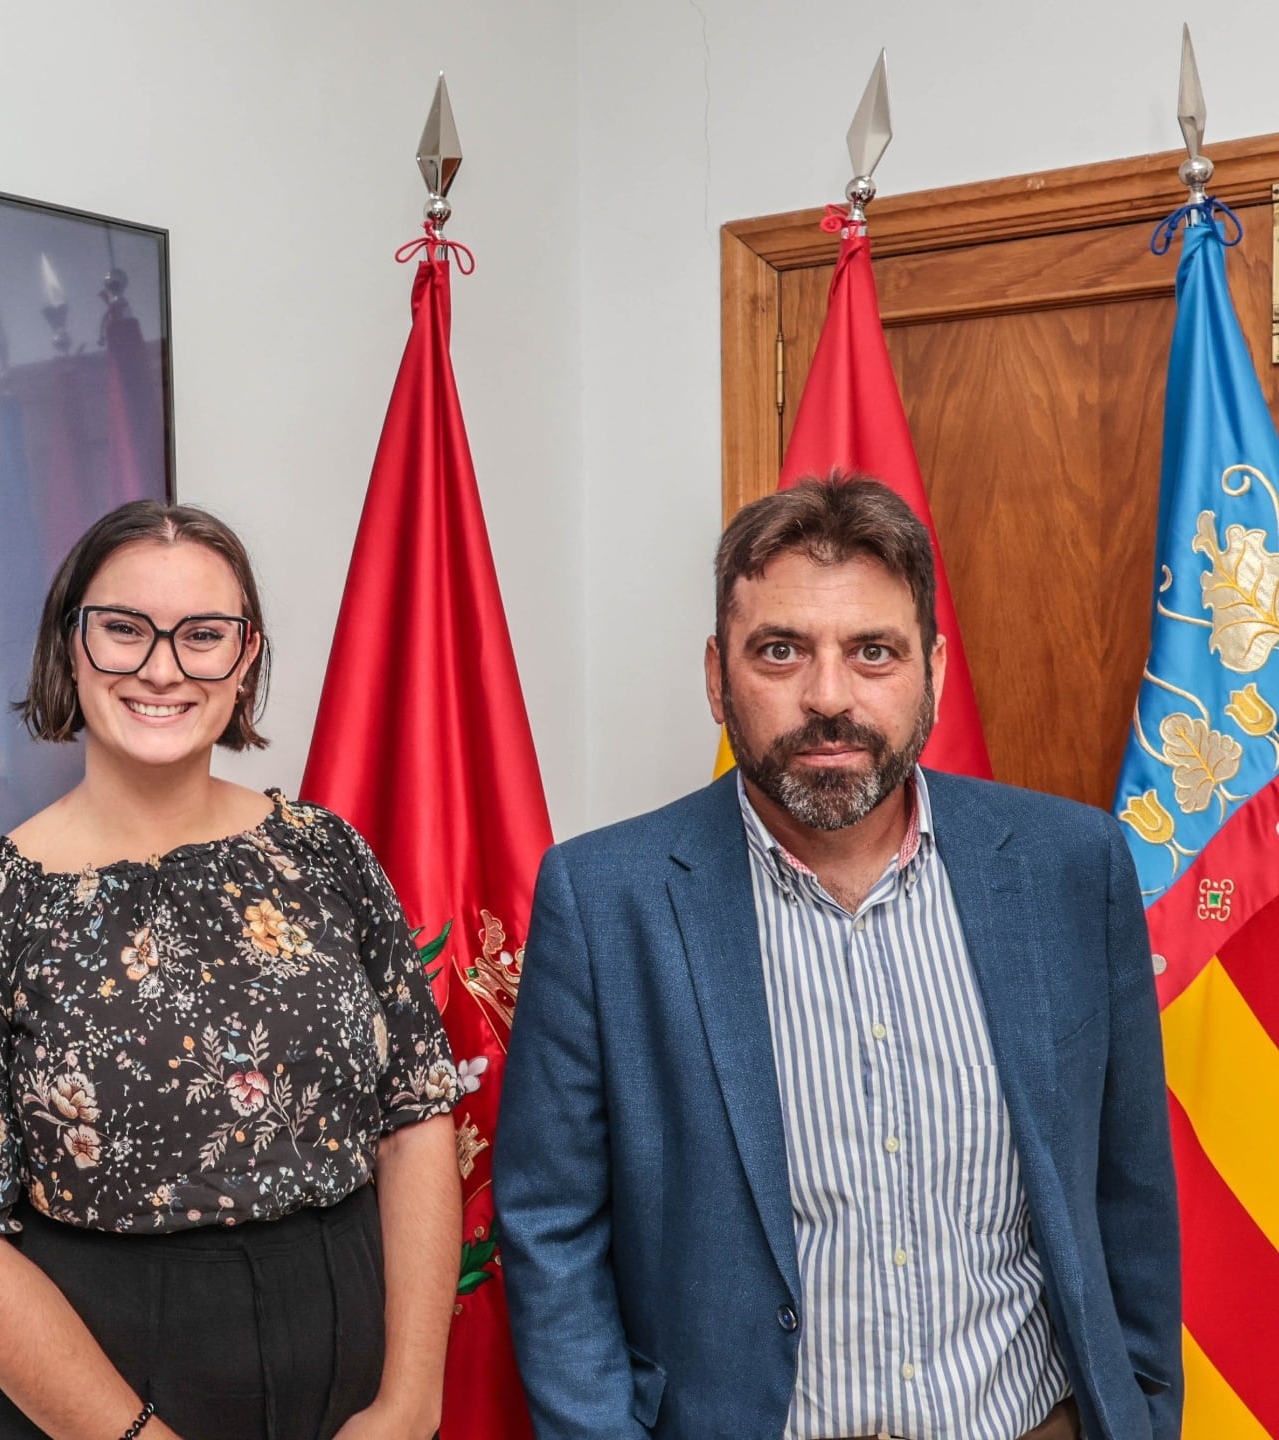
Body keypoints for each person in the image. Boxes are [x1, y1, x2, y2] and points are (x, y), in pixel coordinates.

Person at [494, 475, 1180, 1440]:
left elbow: (1130, 1187)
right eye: (780, 651)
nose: (828, 697)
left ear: (932, 671)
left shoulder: (1071, 868)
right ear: (715, 674)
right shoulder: (606, 900)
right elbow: (551, 1230)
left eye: (873, 652)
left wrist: (1145, 1413)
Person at [0, 500, 465, 1440]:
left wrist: (409, 1405)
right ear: (68, 646)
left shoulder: (325, 854)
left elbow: (416, 1119)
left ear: (247, 657)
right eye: (123, 630)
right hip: (107, 1400)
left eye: (203, 636)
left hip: (361, 1392)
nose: (162, 667)